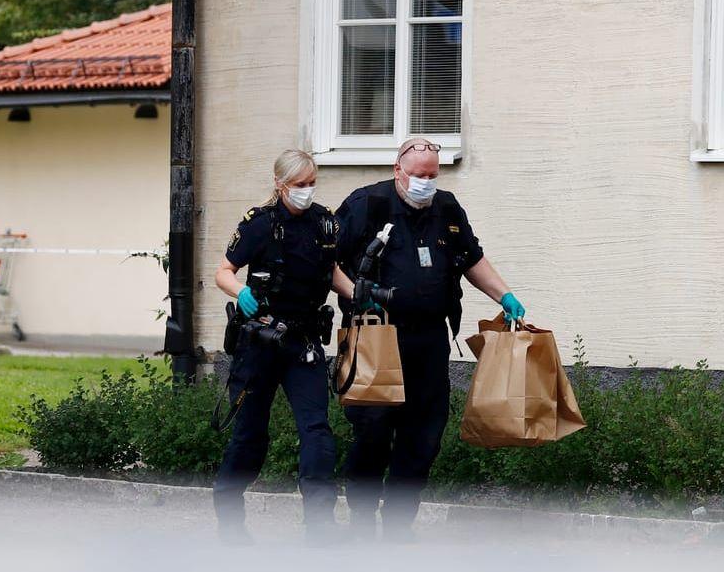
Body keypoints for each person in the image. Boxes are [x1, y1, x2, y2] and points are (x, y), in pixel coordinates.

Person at [334, 136, 525, 542]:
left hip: (428, 339)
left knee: (424, 433)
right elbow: (327, 259)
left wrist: (504, 294)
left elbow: (470, 258)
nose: (425, 182)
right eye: (418, 175)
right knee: (373, 430)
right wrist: (357, 292)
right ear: (397, 170)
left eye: (432, 175)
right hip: (374, 335)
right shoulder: (367, 204)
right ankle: (362, 522)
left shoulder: (447, 208)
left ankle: (400, 526)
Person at [212, 150, 356, 546]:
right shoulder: (258, 224)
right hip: (259, 341)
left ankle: (320, 525)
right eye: (299, 185)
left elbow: (330, 272)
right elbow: (224, 271)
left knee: (316, 430)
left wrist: (357, 294)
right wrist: (240, 292)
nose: (307, 191)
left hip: (302, 342)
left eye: (312, 183)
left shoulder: (326, 223)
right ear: (280, 185)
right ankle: (228, 518)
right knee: (250, 435)